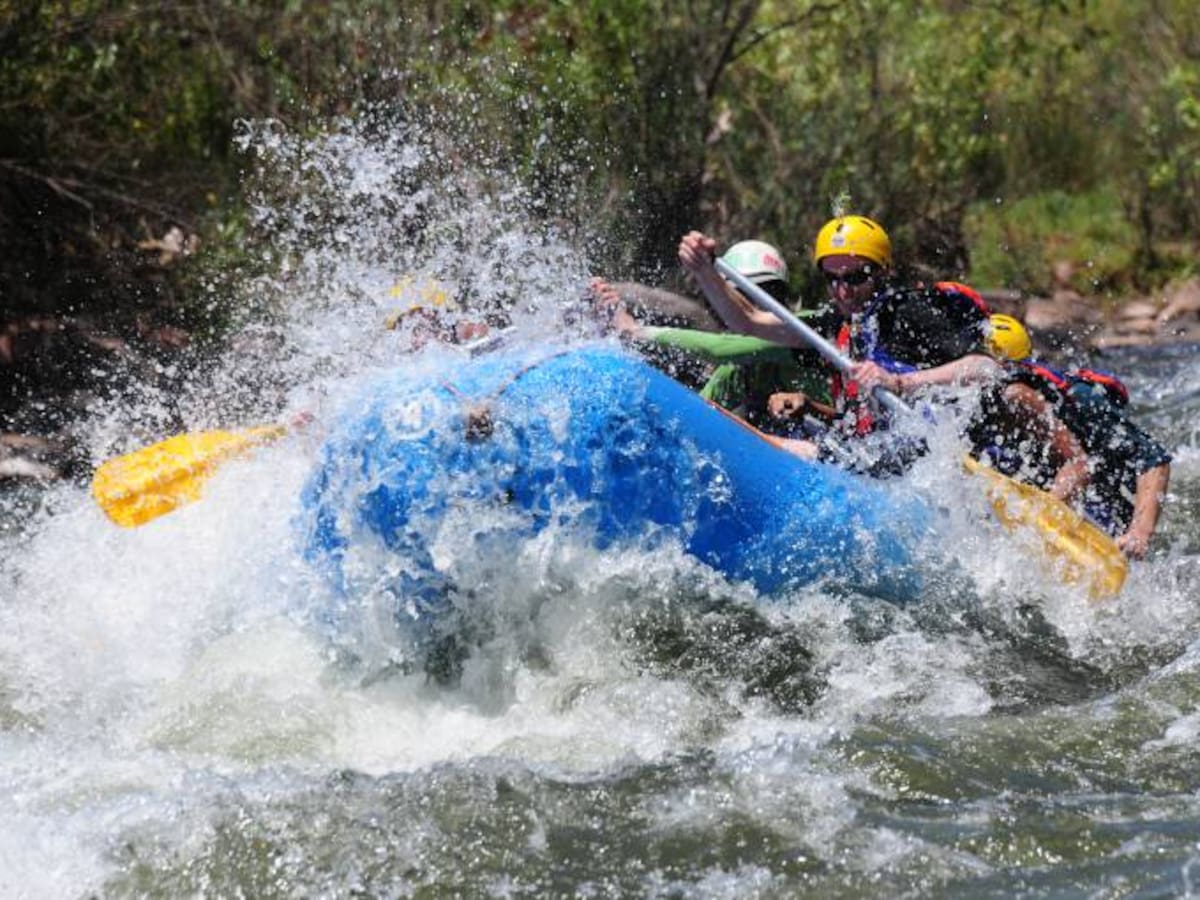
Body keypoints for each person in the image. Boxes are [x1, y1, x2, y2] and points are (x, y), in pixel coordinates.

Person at [856, 313, 1170, 558]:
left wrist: (1139, 533)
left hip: (1111, 506)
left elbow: (1152, 461)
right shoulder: (975, 404)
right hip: (1064, 495)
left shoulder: (1037, 395)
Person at [678, 215, 992, 460]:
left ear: (882, 272)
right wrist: (704, 272)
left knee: (799, 450)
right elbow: (748, 321)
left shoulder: (908, 310)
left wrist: (899, 382)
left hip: (920, 450)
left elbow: (985, 367)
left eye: (855, 277)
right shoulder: (832, 324)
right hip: (867, 450)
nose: (843, 290)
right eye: (833, 279)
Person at [592, 240, 836, 432]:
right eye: (745, 296)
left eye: (770, 293)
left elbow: (719, 349)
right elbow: (693, 416)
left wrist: (635, 331)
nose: (759, 305)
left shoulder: (806, 328)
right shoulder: (735, 373)